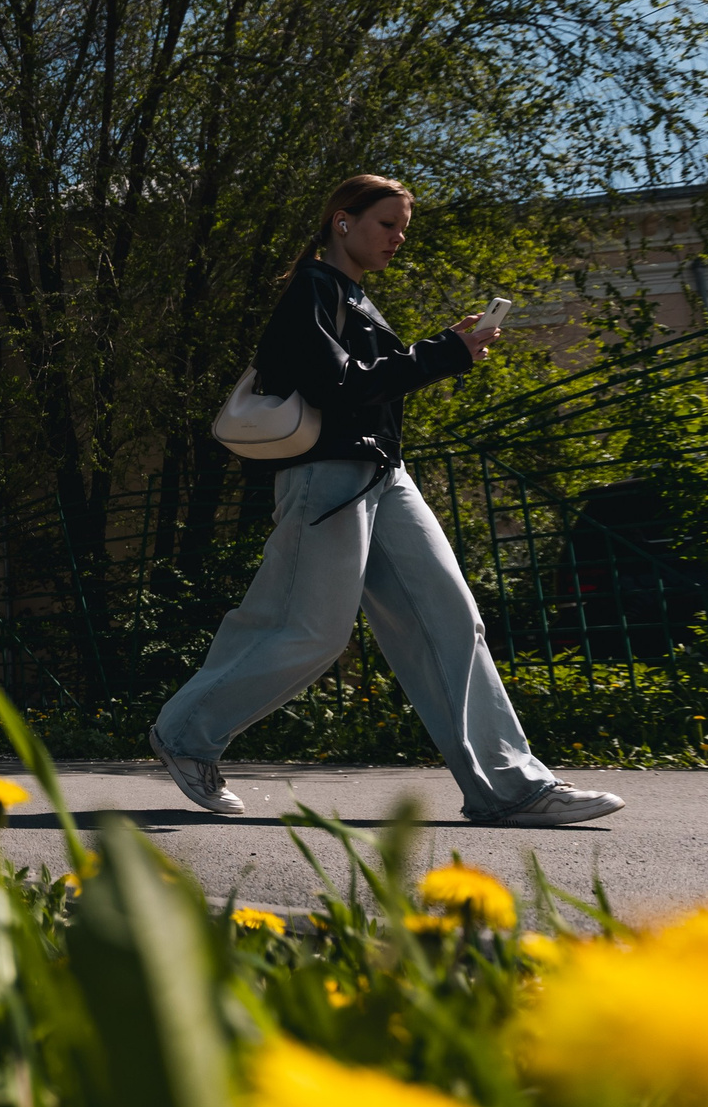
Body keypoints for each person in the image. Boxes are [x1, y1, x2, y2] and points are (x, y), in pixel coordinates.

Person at [151, 174, 626, 828]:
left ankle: (510, 786)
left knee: (452, 617)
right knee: (310, 633)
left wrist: (443, 348)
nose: (399, 238)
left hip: (385, 476)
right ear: (342, 221)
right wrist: (443, 353)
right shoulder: (313, 288)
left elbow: (374, 382)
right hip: (327, 476)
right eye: (387, 224)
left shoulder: (355, 297)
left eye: (404, 228)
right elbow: (335, 384)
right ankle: (186, 734)